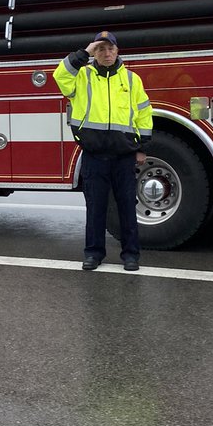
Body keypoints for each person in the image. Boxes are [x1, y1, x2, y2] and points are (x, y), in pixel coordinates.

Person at [54, 30, 153, 271]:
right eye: (101, 49)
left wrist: (140, 149)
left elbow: (144, 115)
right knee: (95, 207)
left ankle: (131, 255)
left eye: (110, 48)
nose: (106, 53)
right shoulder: (82, 77)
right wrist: (84, 52)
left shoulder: (131, 79)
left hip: (123, 155)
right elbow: (60, 76)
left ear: (118, 51)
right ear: (94, 53)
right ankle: (93, 254)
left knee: (127, 207)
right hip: (94, 154)